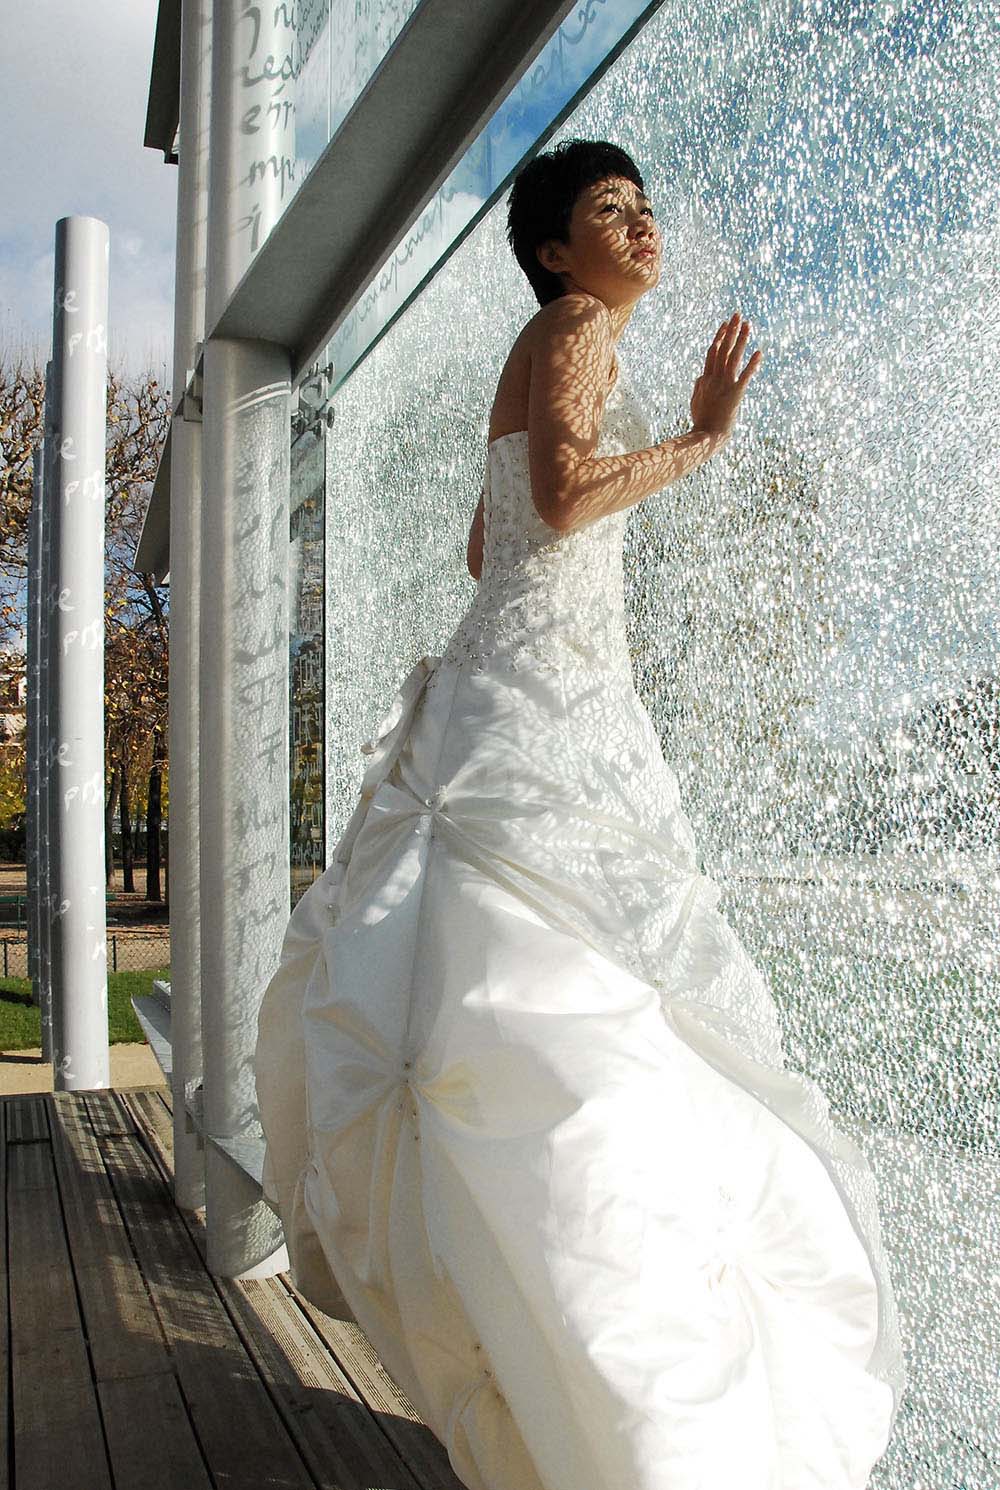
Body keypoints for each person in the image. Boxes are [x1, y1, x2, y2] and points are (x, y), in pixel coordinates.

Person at [254, 138, 907, 1490]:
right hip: (545, 709)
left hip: (523, 692)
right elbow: (555, 502)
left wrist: (579, 528)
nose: (645, 226)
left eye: (648, 206)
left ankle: (538, 1326)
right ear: (558, 248)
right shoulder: (575, 325)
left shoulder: (564, 334)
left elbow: (491, 544)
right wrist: (702, 440)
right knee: (567, 1005)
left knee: (522, 988)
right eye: (614, 210)